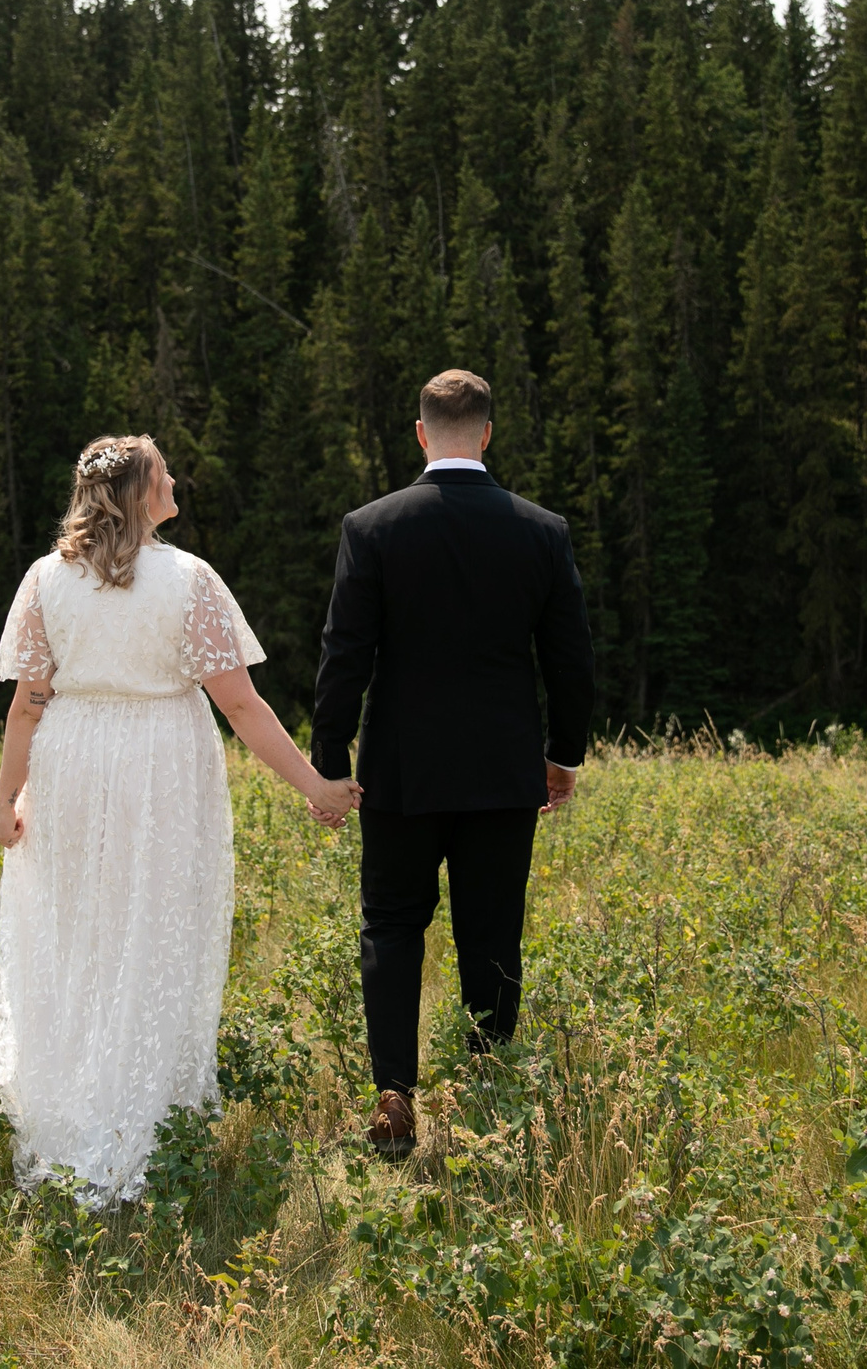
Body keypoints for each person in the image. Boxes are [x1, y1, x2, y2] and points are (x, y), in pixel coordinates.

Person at [0, 434, 358, 1204]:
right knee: (148, 929)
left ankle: (74, 1113)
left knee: (80, 934)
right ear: (137, 493)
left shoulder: (45, 580)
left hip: (71, 761)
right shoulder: (187, 578)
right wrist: (314, 786)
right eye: (163, 473)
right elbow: (241, 705)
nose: (175, 479)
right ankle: (136, 1118)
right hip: (156, 765)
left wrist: (7, 797)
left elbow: (28, 703)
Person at [309, 369, 595, 1157]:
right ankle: (491, 1090)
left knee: (394, 927)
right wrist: (561, 756)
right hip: (504, 773)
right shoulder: (542, 531)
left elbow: (345, 656)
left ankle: (395, 1093)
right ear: (489, 434)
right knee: (493, 934)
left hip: (401, 772)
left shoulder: (373, 527)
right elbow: (571, 662)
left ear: (423, 434)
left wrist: (331, 762)